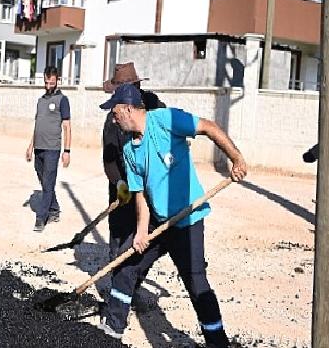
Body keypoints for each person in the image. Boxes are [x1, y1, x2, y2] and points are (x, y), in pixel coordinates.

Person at [99, 83, 247, 347]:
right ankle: (111, 328)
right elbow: (141, 193)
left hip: (187, 219)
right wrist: (142, 231)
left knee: (196, 283)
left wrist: (236, 159)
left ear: (129, 109)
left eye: (115, 112)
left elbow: (209, 127)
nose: (113, 118)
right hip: (158, 220)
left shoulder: (166, 120)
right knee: (127, 263)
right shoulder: (129, 150)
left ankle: (217, 341)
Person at [100, 62, 165, 330]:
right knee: (119, 242)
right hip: (123, 189)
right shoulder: (111, 120)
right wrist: (120, 185)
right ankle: (119, 295)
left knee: (143, 241)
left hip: (148, 188)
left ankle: (131, 286)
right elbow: (109, 159)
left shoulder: (154, 106)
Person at [26, 66, 72, 232]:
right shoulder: (41, 100)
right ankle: (53, 209)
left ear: (57, 80)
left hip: (52, 148)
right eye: (46, 82)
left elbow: (67, 126)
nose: (48, 85)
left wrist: (67, 151)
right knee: (45, 181)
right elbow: (37, 124)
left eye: (51, 82)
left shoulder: (62, 100)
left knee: (48, 180)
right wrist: (30, 146)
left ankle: (41, 217)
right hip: (38, 147)